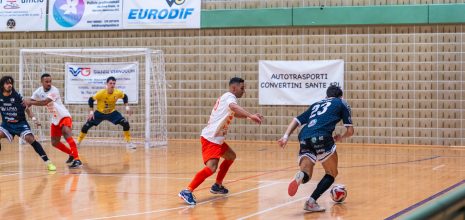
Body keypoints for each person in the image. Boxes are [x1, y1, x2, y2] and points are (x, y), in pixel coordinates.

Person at [178, 77, 264, 205]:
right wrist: (250, 115)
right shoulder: (230, 97)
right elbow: (234, 107)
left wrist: (248, 118)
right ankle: (187, 190)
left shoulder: (227, 98)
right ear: (234, 88)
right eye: (242, 88)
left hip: (216, 138)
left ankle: (217, 185)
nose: (243, 91)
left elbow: (235, 112)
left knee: (230, 156)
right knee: (211, 168)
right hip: (211, 138)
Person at [277, 85, 354, 212]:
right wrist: (341, 137)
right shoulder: (341, 103)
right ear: (341, 96)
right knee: (331, 173)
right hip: (322, 136)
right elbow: (350, 131)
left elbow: (296, 120)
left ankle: (301, 175)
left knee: (307, 174)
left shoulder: (316, 104)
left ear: (326, 95)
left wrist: (285, 136)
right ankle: (311, 202)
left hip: (304, 136)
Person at [23, 73, 82, 169]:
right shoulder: (38, 91)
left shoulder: (54, 90)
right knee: (54, 142)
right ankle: (71, 153)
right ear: (41, 82)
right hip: (55, 118)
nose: (49, 83)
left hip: (64, 115)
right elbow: (29, 103)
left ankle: (77, 159)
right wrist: (24, 106)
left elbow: (44, 102)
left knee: (66, 133)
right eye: (46, 82)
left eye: (50, 81)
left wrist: (30, 102)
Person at [0, 76, 56, 171]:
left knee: (31, 139)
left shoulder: (17, 96)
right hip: (7, 124)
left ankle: (48, 162)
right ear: (2, 85)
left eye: (11, 83)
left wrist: (34, 119)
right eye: (7, 83)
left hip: (20, 124)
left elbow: (27, 109)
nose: (10, 85)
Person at [77, 76, 135, 149]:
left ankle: (129, 143)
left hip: (112, 113)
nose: (112, 85)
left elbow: (125, 96)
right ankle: (78, 142)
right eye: (110, 83)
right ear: (107, 84)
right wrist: (91, 112)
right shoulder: (101, 93)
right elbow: (90, 100)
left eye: (114, 83)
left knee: (125, 123)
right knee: (86, 126)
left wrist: (127, 107)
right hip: (99, 113)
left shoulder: (117, 92)